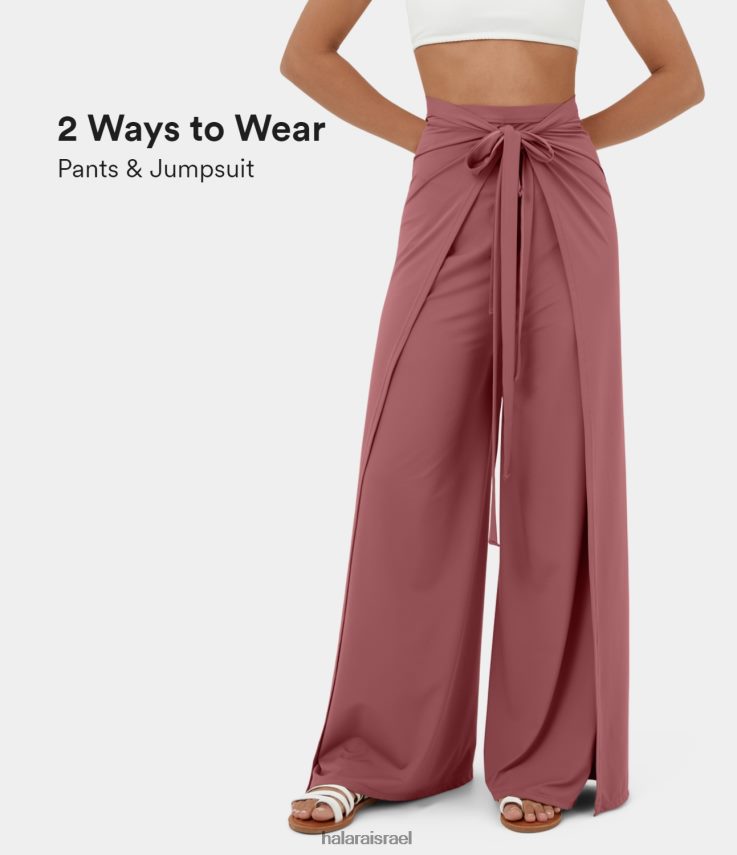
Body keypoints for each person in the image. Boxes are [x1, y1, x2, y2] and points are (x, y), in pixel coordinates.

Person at [280, 0, 703, 834]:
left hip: (560, 183)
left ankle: (542, 754)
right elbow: (307, 55)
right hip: (450, 177)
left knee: (559, 471)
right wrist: (429, 138)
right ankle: (376, 753)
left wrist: (567, 139)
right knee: (407, 475)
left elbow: (680, 79)